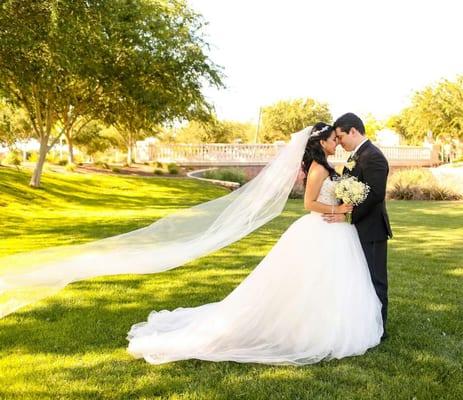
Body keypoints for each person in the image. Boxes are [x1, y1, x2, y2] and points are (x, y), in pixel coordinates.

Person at [127, 122, 384, 365]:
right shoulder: (318, 168)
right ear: (321, 142)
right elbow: (308, 204)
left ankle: (332, 324)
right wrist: (337, 209)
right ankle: (307, 330)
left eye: (338, 138)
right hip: (322, 228)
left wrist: (341, 207)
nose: (337, 143)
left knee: (333, 282)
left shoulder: (327, 166)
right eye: (333, 139)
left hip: (336, 230)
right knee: (311, 282)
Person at [332, 113, 392, 339]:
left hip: (372, 229)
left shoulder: (373, 156)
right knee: (360, 278)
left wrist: (349, 211)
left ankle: (380, 329)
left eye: (340, 136)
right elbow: (346, 186)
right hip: (358, 227)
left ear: (354, 131)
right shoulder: (356, 156)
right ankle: (366, 325)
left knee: (376, 280)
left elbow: (375, 194)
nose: (339, 142)